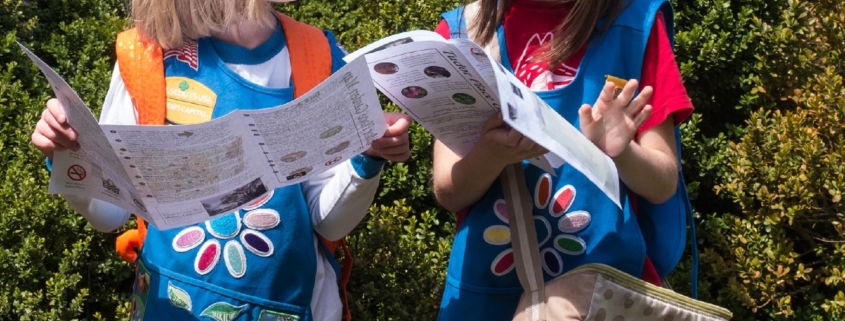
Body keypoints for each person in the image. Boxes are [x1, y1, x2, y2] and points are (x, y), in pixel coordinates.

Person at [30, 0, 411, 320]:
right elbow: (108, 213)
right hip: (169, 303)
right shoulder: (147, 54)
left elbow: (328, 224)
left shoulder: (317, 54)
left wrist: (367, 159)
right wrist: (67, 154)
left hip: (291, 306)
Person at [432, 0, 694, 319]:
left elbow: (663, 182)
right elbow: (450, 191)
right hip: (488, 294)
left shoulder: (635, 24)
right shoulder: (464, 34)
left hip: (602, 295)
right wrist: (493, 154)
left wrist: (622, 152)